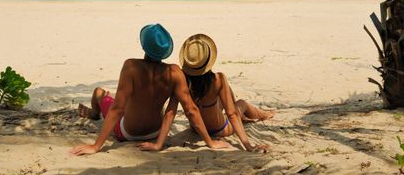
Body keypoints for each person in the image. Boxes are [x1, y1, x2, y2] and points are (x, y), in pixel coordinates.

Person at [70, 25, 230, 156]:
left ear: (144, 45)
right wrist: (210, 142)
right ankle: (95, 113)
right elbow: (191, 110)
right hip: (156, 132)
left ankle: (94, 113)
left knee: (99, 93)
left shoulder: (131, 67)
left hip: (128, 132)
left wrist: (96, 146)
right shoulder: (174, 72)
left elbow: (117, 109)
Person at [139, 34, 273, 152]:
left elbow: (170, 113)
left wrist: (158, 144)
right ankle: (264, 114)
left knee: (223, 99)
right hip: (221, 130)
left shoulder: (182, 81)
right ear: (209, 61)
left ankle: (251, 117)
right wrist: (247, 145)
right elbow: (231, 114)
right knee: (241, 104)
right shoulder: (218, 79)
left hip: (196, 130)